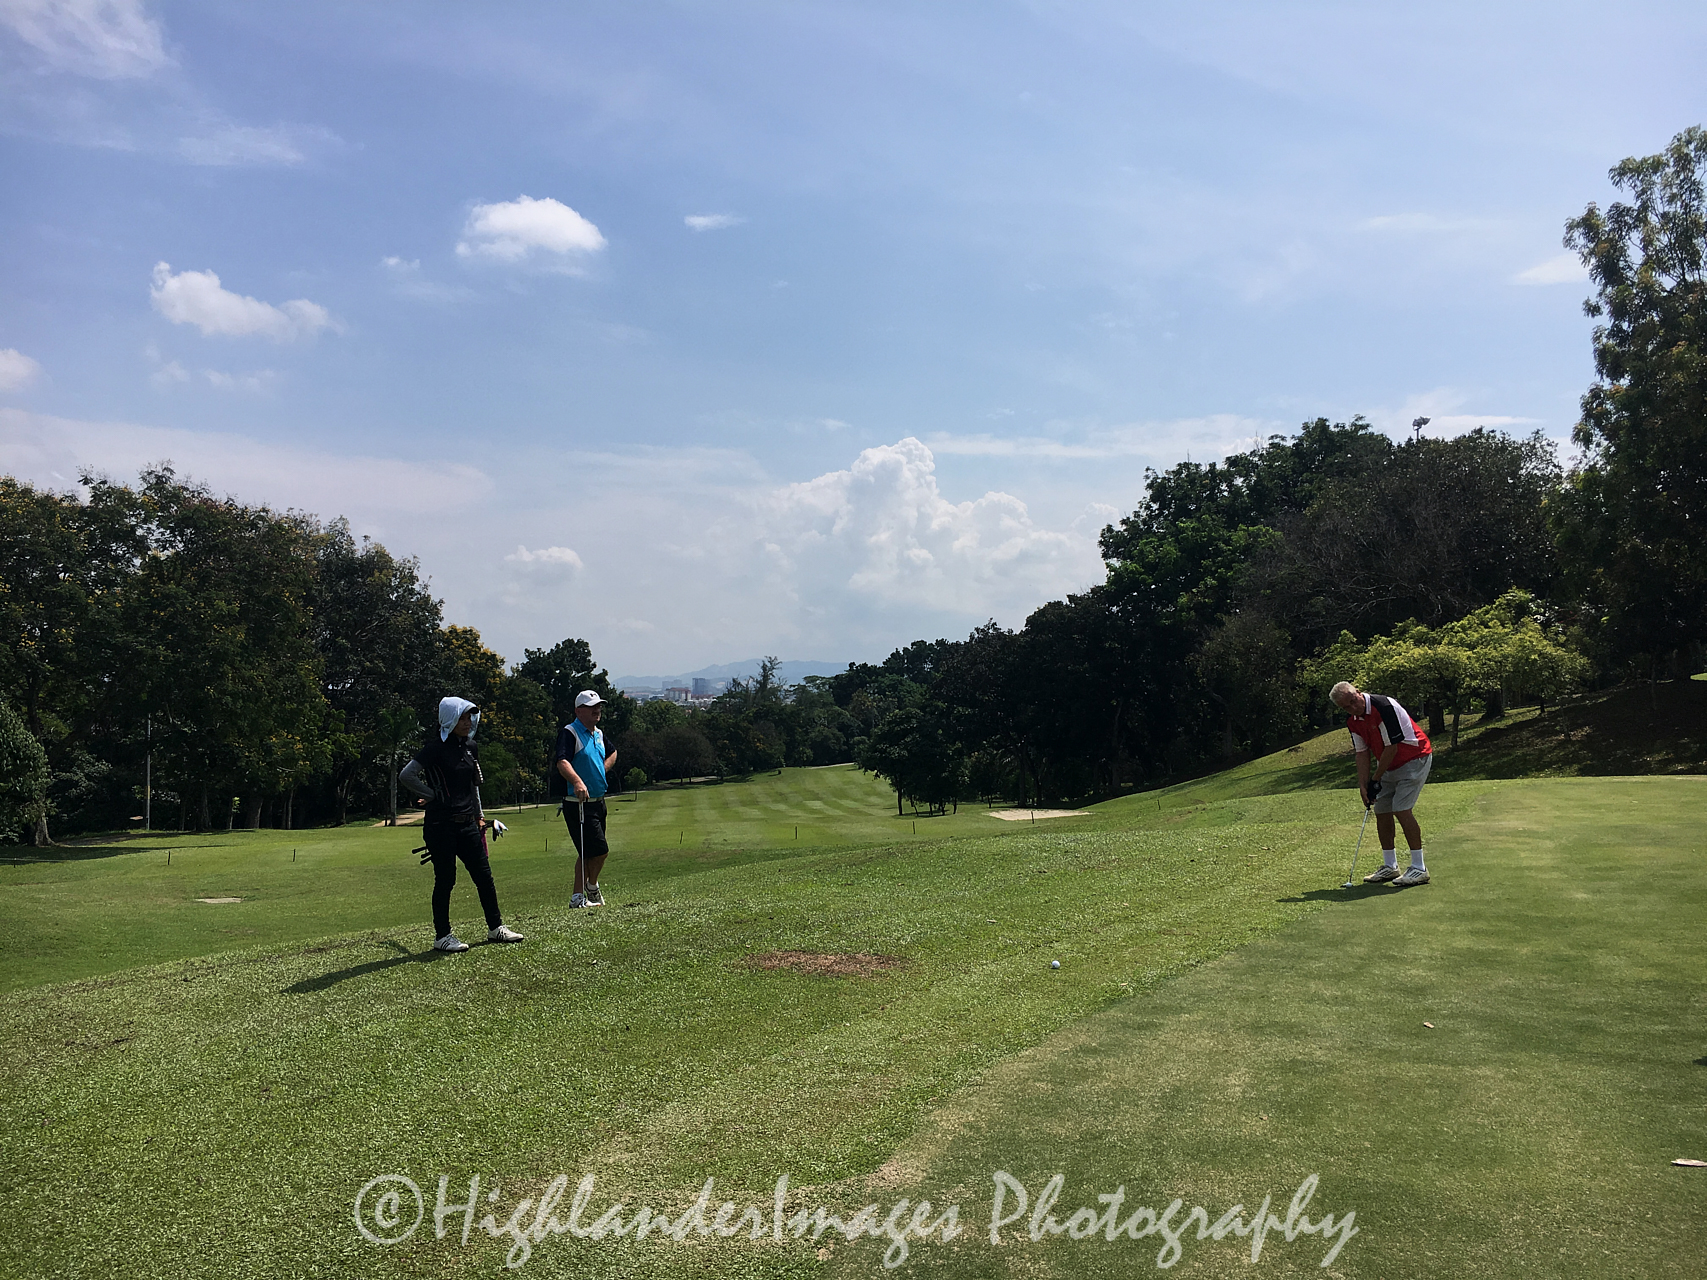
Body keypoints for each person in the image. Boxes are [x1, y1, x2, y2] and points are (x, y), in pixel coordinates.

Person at [399, 696, 526, 951]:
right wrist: (433, 794)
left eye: (470, 717)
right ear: (450, 719)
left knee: (484, 877)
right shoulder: (435, 748)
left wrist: (480, 816)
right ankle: (442, 936)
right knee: (446, 880)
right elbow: (407, 775)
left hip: (468, 824)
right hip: (441, 826)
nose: (468, 722)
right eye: (463, 718)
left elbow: (472, 786)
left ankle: (495, 928)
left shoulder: (471, 746)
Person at [1329, 681, 1434, 886]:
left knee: (1401, 809)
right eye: (1346, 707)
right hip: (1388, 764)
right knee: (1382, 810)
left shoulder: (1384, 706)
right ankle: (1390, 866)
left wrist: (1375, 779)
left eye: (1353, 701)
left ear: (1358, 692)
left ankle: (1419, 867)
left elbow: (1392, 747)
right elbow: (1361, 753)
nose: (1353, 708)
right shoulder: (1353, 722)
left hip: (1414, 757)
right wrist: (1363, 785)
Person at [554, 689, 619, 908]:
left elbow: (613, 752)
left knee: (587, 852)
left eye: (598, 706)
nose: (597, 710)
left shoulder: (597, 733)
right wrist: (577, 781)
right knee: (599, 851)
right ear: (578, 711)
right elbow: (562, 761)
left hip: (598, 801)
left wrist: (602, 769)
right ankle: (591, 887)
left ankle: (578, 897)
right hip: (579, 804)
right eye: (591, 707)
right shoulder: (570, 733)